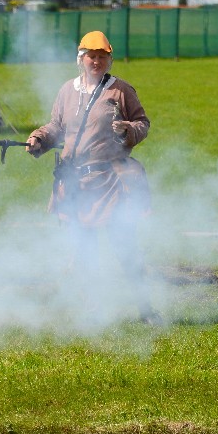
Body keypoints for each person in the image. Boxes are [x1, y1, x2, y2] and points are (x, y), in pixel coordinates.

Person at [25, 31, 153, 319]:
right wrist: (39, 139)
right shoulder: (67, 91)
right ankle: (92, 310)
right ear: (81, 59)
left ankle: (145, 308)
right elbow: (56, 126)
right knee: (83, 250)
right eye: (91, 57)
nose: (96, 62)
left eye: (102, 57)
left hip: (111, 181)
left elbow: (143, 122)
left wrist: (128, 130)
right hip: (75, 184)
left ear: (109, 59)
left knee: (125, 247)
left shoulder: (120, 90)